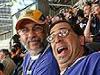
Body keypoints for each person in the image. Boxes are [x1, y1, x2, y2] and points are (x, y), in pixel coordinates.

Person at [15, 9, 60, 75]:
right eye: (24, 30)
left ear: (46, 31)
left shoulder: (49, 62)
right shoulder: (28, 55)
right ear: (19, 36)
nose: (31, 35)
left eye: (37, 28)